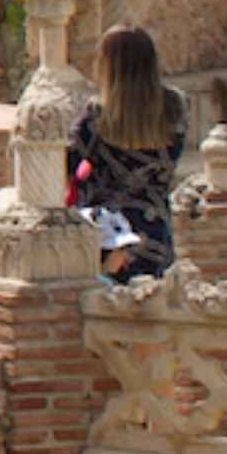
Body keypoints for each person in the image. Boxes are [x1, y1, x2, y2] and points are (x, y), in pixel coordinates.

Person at [70, 24, 183, 278]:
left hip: (111, 238)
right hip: (155, 233)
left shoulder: (96, 116)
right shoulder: (176, 107)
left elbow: (68, 167)